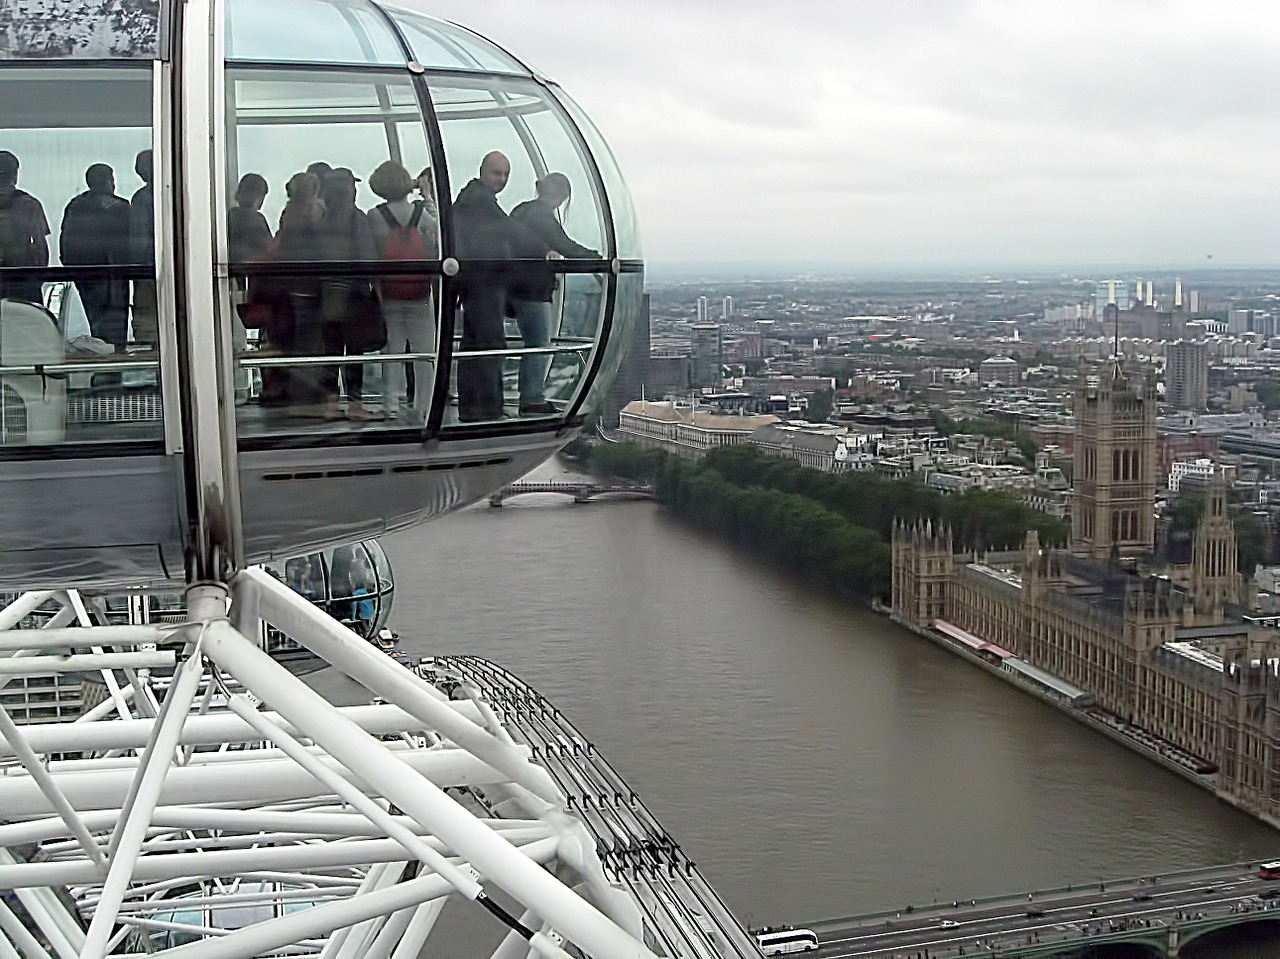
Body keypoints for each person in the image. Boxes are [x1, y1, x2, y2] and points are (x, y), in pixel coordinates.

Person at [450, 151, 554, 422]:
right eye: (497, 173)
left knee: (476, 344)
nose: (502, 179)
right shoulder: (479, 200)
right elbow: (508, 229)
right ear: (482, 171)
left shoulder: (471, 198)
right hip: (483, 281)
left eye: (506, 174)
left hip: (476, 281)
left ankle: (476, 408)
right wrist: (542, 250)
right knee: (489, 344)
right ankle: (487, 409)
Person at [508, 172, 600, 415]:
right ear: (559, 195)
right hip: (532, 289)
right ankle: (531, 399)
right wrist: (594, 257)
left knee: (531, 344)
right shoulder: (541, 216)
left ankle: (528, 397)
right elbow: (565, 245)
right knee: (538, 344)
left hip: (511, 286)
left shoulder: (521, 211)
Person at [368, 160, 438, 422]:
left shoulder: (375, 216)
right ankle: (424, 405)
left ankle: (390, 404)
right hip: (420, 290)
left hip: (389, 291)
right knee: (424, 351)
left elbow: (373, 254)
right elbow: (439, 233)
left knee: (392, 350)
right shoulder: (420, 214)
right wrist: (428, 196)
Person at [317, 167, 379, 421]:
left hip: (328, 294)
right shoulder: (358, 218)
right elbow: (368, 256)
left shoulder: (321, 218)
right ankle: (355, 404)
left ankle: (330, 403)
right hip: (354, 295)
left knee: (330, 351)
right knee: (355, 352)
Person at [61, 163, 131, 351]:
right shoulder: (120, 207)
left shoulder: (76, 206)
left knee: (96, 320)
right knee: (116, 326)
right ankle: (113, 362)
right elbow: (131, 243)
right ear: (108, 181)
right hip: (114, 276)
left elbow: (66, 242)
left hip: (86, 277)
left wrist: (72, 271)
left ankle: (102, 360)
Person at [228, 173, 273, 404]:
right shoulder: (255, 220)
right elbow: (269, 250)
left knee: (232, 335)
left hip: (232, 282)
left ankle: (238, 387)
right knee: (239, 338)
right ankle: (241, 389)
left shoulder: (229, 217)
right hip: (248, 284)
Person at [0, 150, 50, 305]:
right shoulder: (29, 204)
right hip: (23, 277)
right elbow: (40, 245)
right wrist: (38, 276)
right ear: (15, 175)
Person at [129, 149, 157, 348]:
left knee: (151, 322)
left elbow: (137, 236)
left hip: (148, 268)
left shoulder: (141, 198)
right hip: (156, 266)